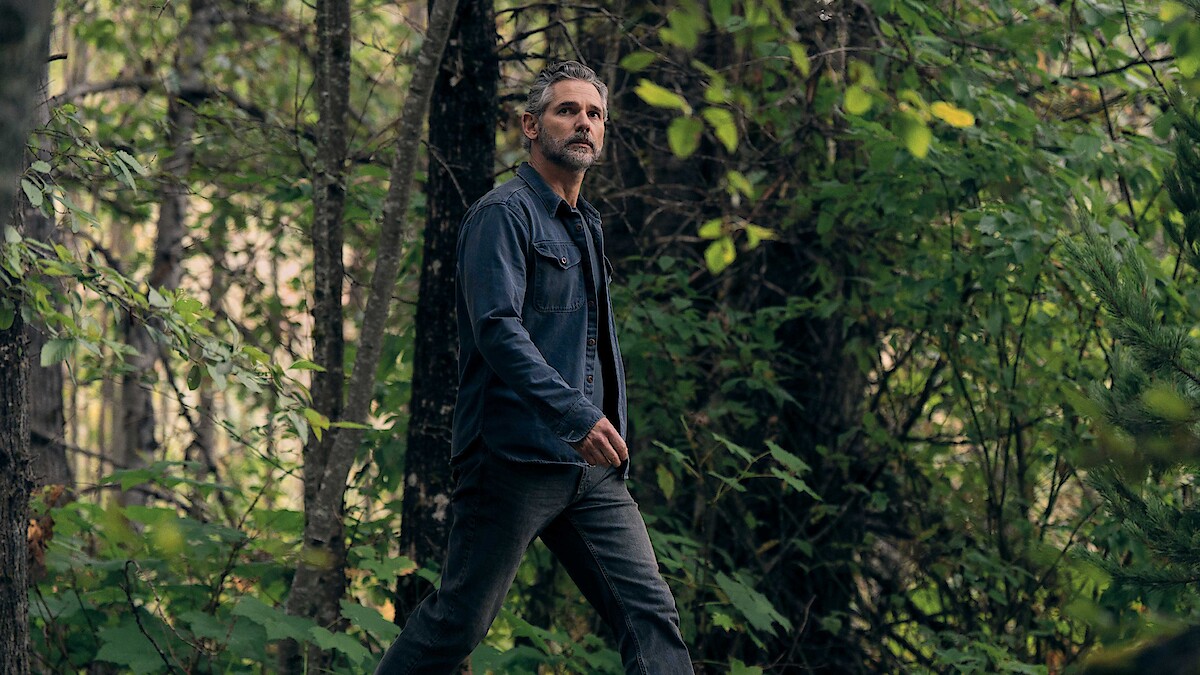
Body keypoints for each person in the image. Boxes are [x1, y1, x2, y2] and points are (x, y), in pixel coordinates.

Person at [374, 61, 694, 674]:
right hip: (513, 461)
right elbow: (497, 329)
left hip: (592, 469)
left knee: (650, 615)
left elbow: (593, 343)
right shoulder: (503, 214)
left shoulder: (587, 226)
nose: (583, 124)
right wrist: (574, 414)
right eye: (566, 110)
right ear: (530, 124)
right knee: (456, 625)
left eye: (594, 114)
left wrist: (606, 427)